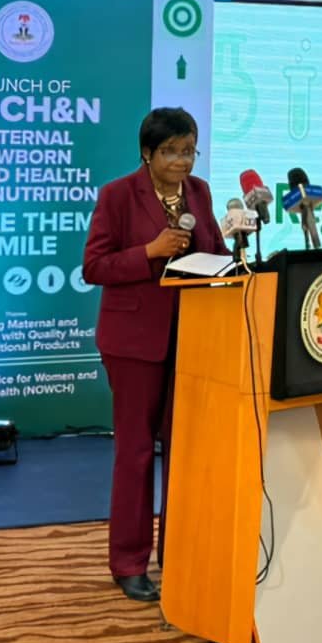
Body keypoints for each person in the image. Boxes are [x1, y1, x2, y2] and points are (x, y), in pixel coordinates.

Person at [83, 107, 227, 602]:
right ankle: (128, 563)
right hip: (134, 345)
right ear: (147, 153)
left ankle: (181, 554)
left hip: (194, 342)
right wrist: (150, 251)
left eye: (189, 150)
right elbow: (94, 266)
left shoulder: (202, 193)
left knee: (186, 455)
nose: (182, 161)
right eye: (171, 151)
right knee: (137, 454)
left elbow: (217, 250)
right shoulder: (118, 196)